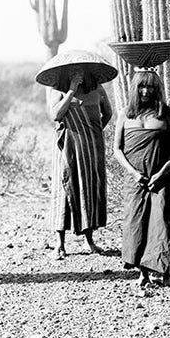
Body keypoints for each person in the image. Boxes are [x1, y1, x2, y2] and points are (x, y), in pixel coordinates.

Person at [113, 69, 170, 293]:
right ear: (134, 89)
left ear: (157, 89)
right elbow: (116, 149)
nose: (145, 90)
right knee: (137, 223)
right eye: (141, 86)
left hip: (163, 178)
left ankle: (166, 272)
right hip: (135, 180)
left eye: (150, 87)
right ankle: (143, 274)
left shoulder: (166, 113)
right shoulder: (126, 114)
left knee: (162, 223)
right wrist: (134, 173)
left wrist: (162, 173)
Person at [49, 69, 113, 259]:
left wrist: (93, 131)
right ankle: (59, 244)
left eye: (81, 70)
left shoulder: (98, 90)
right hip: (66, 146)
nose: (78, 74)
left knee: (88, 189)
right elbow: (56, 115)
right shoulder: (58, 90)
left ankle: (89, 240)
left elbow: (108, 113)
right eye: (73, 71)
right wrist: (70, 91)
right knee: (64, 189)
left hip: (91, 147)